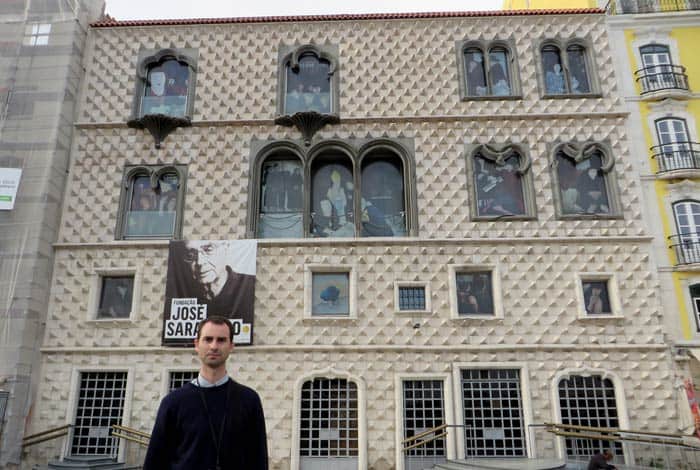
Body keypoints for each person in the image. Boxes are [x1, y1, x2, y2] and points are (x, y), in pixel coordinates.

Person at [144, 316, 268, 469]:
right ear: (196, 344)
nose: (214, 346)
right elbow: (155, 461)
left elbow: (258, 460)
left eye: (221, 340)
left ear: (231, 346)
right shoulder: (173, 402)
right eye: (208, 339)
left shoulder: (249, 400)